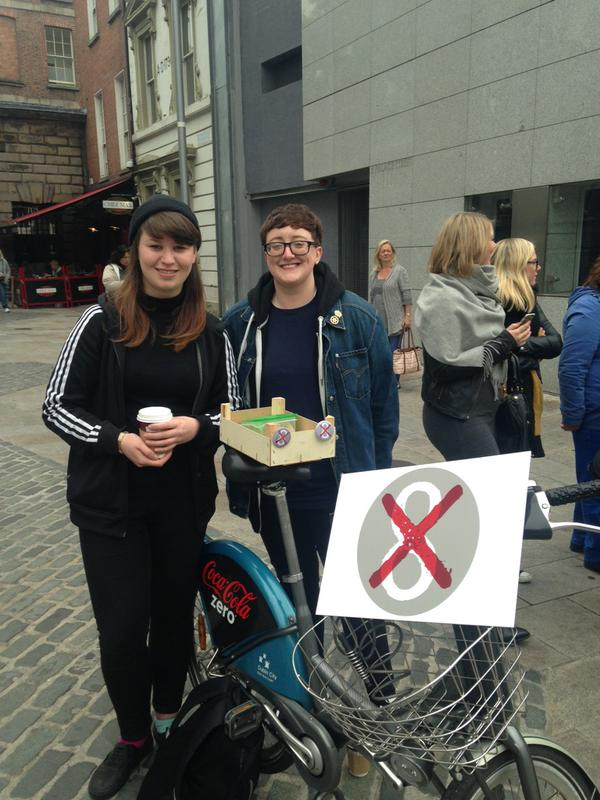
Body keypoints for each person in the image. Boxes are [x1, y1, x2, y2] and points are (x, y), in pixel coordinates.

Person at [42, 195, 240, 800]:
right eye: (156, 244)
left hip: (181, 502)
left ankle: (166, 718)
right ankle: (132, 738)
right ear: (134, 251)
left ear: (194, 257)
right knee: (123, 631)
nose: (168, 257)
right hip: (112, 507)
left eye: (180, 246)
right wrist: (117, 440)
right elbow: (55, 406)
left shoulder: (210, 329)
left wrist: (195, 428)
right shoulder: (100, 321)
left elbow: (230, 411)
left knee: (174, 620)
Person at [223, 202, 398, 778]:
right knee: (303, 606)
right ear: (266, 255)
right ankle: (321, 710)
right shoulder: (242, 323)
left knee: (359, 601)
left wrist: (373, 475)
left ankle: (378, 709)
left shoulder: (358, 320)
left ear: (317, 252)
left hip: (339, 485)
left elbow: (382, 409)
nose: (288, 252)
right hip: (276, 491)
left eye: (299, 242)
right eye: (277, 244)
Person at [414, 212, 531, 644]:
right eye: (488, 239)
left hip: (483, 409)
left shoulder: (479, 290)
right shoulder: (442, 295)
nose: (495, 245)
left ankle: (484, 623)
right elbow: (445, 365)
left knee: (485, 519)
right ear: (468, 246)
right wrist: (502, 344)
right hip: (458, 416)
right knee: (487, 519)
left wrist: (513, 344)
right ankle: (477, 626)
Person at [493, 238, 562, 459]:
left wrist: (518, 343)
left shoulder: (529, 298)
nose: (539, 268)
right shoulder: (495, 301)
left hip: (526, 392)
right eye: (534, 261)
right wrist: (530, 348)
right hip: (504, 397)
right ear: (518, 264)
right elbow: (494, 354)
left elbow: (555, 343)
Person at [559, 256, 600, 573]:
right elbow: (572, 367)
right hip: (593, 413)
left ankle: (581, 539)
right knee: (594, 481)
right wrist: (573, 415)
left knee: (590, 478)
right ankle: (595, 553)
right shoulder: (589, 309)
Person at [368, 240, 412, 384]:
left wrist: (408, 316)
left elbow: (407, 295)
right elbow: (371, 297)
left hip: (395, 321)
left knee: (393, 354)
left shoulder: (400, 271)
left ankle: (394, 382)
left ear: (392, 253)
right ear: (378, 254)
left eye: (388, 250)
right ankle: (383, 382)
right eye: (383, 251)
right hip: (377, 322)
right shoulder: (373, 274)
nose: (386, 253)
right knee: (380, 354)